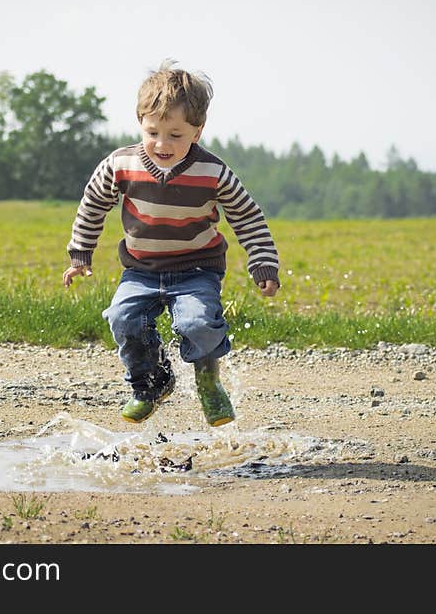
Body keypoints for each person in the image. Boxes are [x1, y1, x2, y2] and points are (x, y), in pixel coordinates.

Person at [62, 59, 280, 427]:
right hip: (141, 270)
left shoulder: (214, 172)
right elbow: (93, 203)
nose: (162, 144)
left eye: (176, 135)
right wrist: (80, 252)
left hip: (197, 269)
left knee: (197, 324)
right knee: (123, 319)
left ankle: (208, 379)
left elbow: (247, 217)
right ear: (141, 124)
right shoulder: (121, 164)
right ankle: (151, 383)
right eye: (153, 132)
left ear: (198, 131)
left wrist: (263, 263)